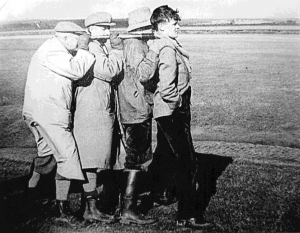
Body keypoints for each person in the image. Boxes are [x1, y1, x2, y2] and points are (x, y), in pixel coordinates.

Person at [139, 5, 211, 228]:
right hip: (172, 112)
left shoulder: (164, 46)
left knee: (169, 156)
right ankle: (187, 215)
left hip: (167, 112)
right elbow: (168, 88)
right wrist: (178, 103)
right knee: (188, 162)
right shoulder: (168, 49)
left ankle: (164, 195)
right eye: (174, 23)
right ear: (161, 27)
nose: (178, 26)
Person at [22, 21, 95, 226]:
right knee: (68, 156)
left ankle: (30, 195)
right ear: (65, 37)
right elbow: (76, 70)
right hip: (49, 113)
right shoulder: (53, 50)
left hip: (39, 112)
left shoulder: (52, 48)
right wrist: (85, 49)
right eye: (77, 36)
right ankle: (62, 209)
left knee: (46, 155)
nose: (80, 39)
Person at [72, 12, 124, 223]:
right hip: (92, 111)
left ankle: (91, 207)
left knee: (92, 159)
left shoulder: (97, 47)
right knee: (91, 160)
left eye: (108, 27)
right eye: (103, 28)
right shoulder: (94, 48)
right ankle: (90, 209)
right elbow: (110, 71)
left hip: (96, 108)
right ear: (91, 30)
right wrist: (118, 50)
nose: (108, 31)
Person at [117, 7, 157, 225]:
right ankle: (128, 210)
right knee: (135, 157)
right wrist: (154, 51)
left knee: (138, 155)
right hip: (136, 110)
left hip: (136, 108)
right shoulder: (135, 45)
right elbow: (143, 74)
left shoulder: (134, 44)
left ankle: (127, 206)